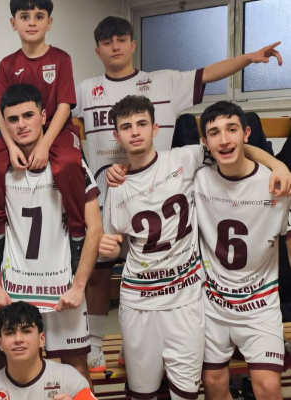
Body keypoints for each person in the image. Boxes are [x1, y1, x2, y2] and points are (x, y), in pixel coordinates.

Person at [72, 15, 284, 371]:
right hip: (112, 187)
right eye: (107, 42)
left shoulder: (163, 82)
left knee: (154, 268)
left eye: (121, 39)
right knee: (101, 269)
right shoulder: (85, 88)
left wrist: (248, 58)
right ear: (97, 51)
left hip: (160, 186)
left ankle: (141, 345)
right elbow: (56, 114)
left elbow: (208, 74)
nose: (115, 47)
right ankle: (96, 344)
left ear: (133, 44)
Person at [99, 95, 288, 400]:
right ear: (116, 135)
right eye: (126, 126)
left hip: (194, 299)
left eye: (142, 123)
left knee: (196, 390)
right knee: (161, 390)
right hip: (151, 301)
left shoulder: (185, 160)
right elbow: (115, 245)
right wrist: (106, 247)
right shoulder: (120, 186)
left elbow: (233, 145)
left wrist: (278, 163)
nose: (135, 132)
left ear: (155, 128)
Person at [0, 84, 103, 380]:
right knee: (15, 368)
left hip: (63, 288)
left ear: (44, 117)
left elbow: (95, 228)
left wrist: (79, 286)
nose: (21, 124)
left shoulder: (71, 164)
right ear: (4, 124)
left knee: (76, 367)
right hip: (15, 289)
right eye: (13, 119)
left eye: (28, 115)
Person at [0, 0, 87, 275]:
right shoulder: (7, 64)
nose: (32, 22)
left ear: (50, 22)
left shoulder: (61, 59)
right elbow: (1, 111)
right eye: (25, 16)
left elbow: (64, 106)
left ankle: (77, 234)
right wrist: (11, 146)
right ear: (14, 23)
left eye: (39, 16)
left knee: (68, 164)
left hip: (57, 130)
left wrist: (45, 144)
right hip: (18, 132)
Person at [195, 102, 291, 400]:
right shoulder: (197, 179)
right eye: (214, 133)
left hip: (259, 306)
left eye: (232, 129)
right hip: (214, 305)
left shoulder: (276, 184)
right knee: (213, 383)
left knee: (268, 386)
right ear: (204, 141)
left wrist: (279, 165)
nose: (224, 140)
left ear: (247, 133)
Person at [0, 301, 96, 400]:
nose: (18, 339)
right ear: (0, 343)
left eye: (26, 331)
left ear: (41, 339)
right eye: (10, 333)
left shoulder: (69, 379)